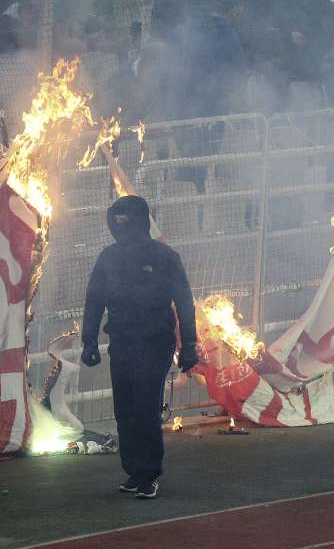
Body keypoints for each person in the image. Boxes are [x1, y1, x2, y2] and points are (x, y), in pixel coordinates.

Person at [81, 195, 199, 500]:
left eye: (126, 222)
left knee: (146, 408)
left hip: (155, 342)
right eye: (117, 223)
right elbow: (94, 301)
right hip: (121, 343)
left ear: (141, 222)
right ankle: (134, 470)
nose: (122, 229)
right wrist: (89, 340)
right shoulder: (108, 258)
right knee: (125, 410)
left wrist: (190, 345)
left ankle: (149, 473)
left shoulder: (165, 257)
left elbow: (185, 302)